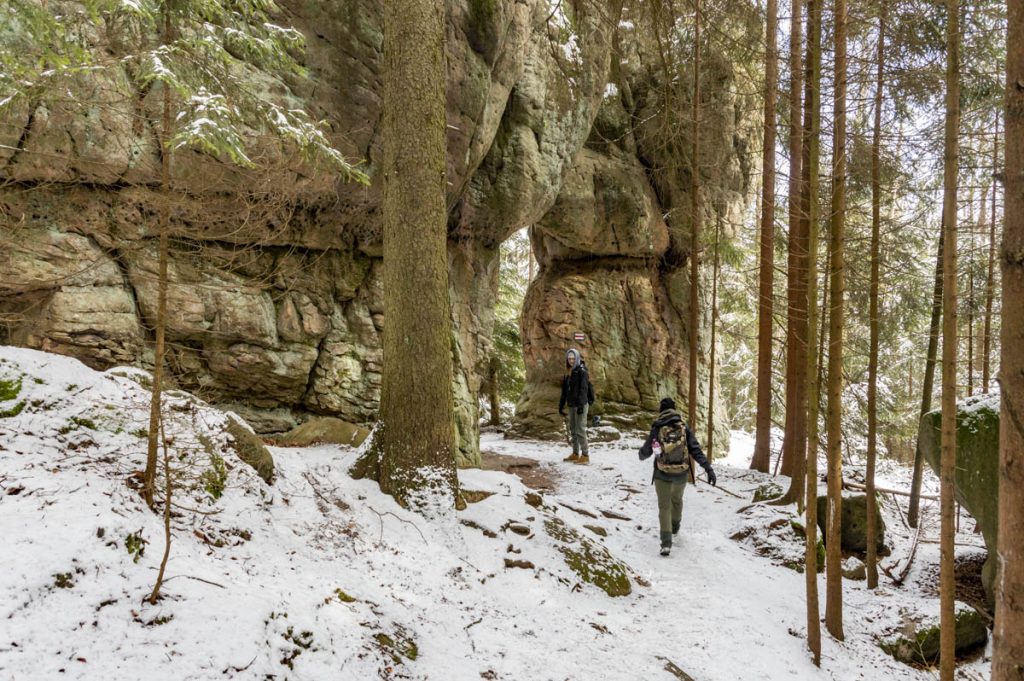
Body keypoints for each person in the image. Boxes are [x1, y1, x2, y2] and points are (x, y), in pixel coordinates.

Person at [638, 397, 717, 556]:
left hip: (662, 474)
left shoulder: (657, 427)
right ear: (674, 409)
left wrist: (641, 454)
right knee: (677, 500)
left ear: (661, 410)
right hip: (681, 474)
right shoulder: (684, 427)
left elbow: (646, 452)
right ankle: (675, 528)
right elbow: (695, 450)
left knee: (664, 506)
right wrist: (708, 469)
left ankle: (666, 543)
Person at [558, 348, 595, 464]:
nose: (571, 361)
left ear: (577, 358)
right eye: (569, 359)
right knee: (573, 430)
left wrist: (580, 405)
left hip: (581, 405)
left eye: (573, 358)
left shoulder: (582, 371)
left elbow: (583, 389)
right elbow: (565, 391)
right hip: (572, 404)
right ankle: (575, 453)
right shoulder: (568, 372)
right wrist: (561, 405)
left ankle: (585, 455)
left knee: (580, 430)